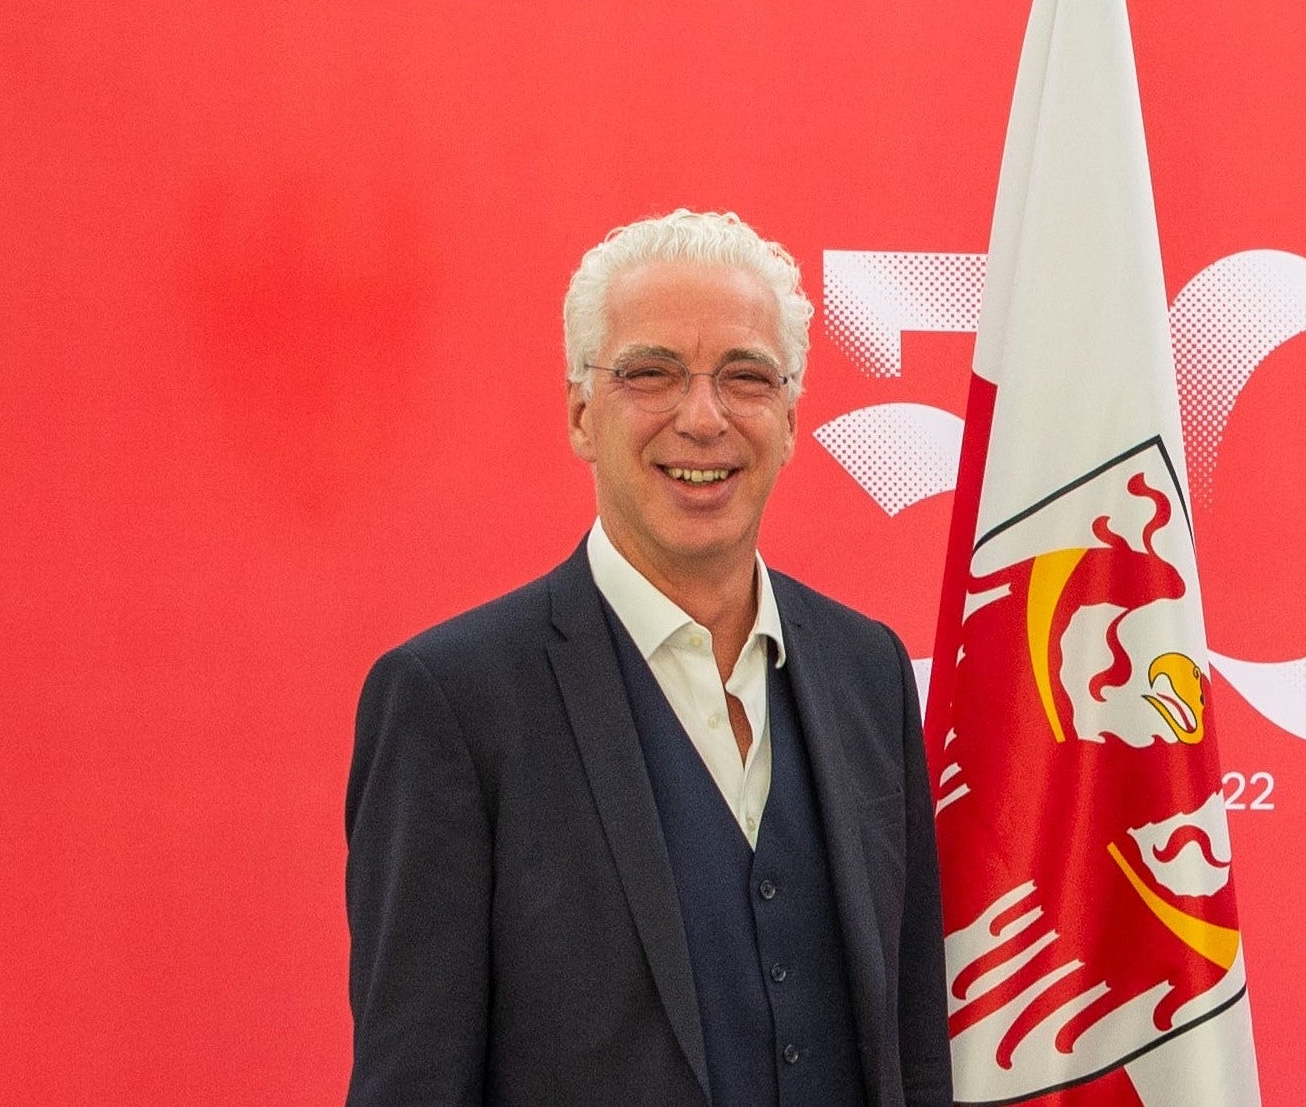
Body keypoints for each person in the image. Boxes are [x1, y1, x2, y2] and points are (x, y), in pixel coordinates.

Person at [346, 209, 952, 1106]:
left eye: (745, 376)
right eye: (651, 373)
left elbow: (914, 1053)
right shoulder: (452, 703)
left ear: (789, 418)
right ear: (581, 412)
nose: (701, 419)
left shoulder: (870, 673)